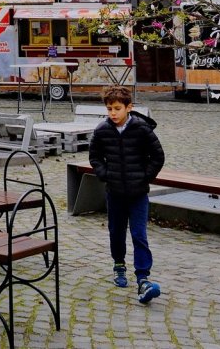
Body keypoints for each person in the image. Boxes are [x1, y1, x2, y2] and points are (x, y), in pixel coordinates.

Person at [88, 85, 165, 305]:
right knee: (116, 232)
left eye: (117, 108)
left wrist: (144, 177)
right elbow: (95, 156)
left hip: (138, 194)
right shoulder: (102, 130)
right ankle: (119, 265)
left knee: (139, 234)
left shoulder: (142, 129)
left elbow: (158, 157)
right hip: (115, 193)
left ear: (128, 107)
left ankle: (143, 278)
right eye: (109, 109)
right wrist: (105, 175)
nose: (113, 113)